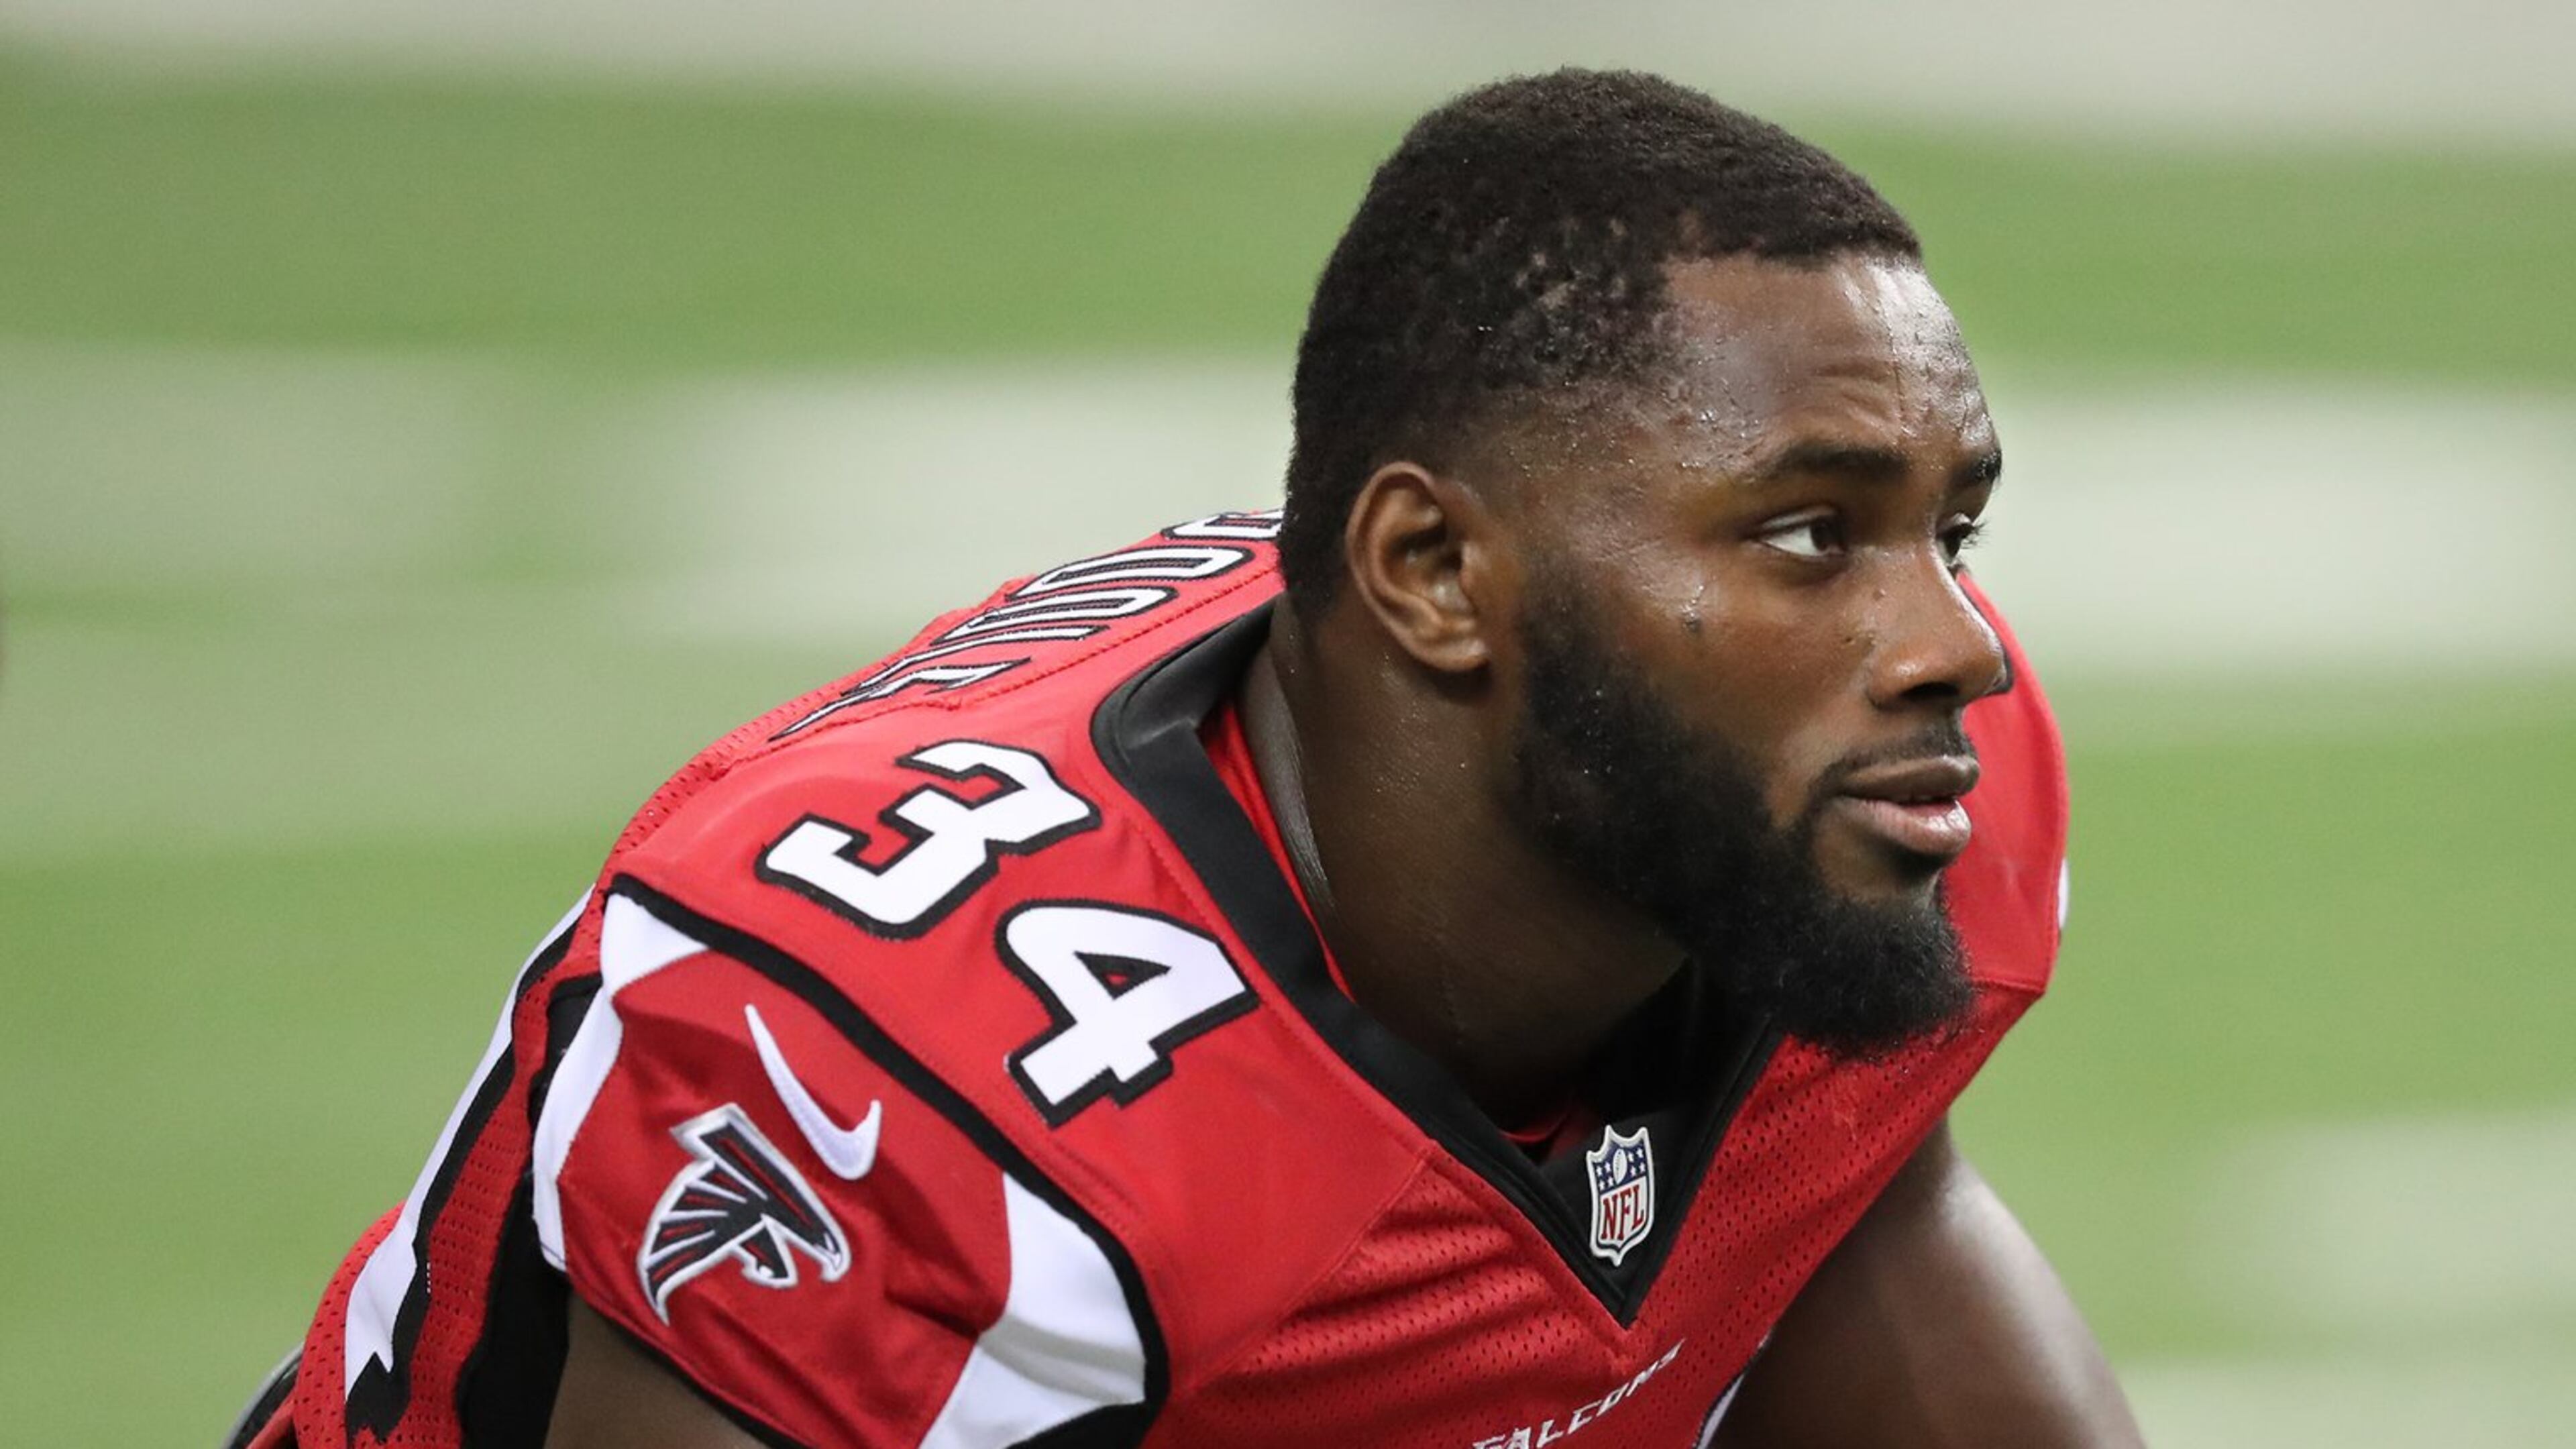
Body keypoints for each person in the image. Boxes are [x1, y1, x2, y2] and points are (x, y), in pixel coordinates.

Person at [235, 68, 2141, 1448]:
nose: (1949, 644)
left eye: (1947, 532)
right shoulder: (905, 1078)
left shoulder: (1847, 808)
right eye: (1813, 535)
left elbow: (1838, 1206)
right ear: (1431, 576)